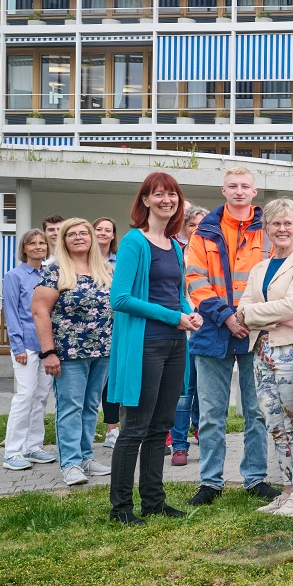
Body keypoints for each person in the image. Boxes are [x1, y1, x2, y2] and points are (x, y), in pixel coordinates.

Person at [106, 172, 199, 524]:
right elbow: (120, 298)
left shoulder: (176, 245)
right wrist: (173, 316)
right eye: (158, 194)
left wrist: (190, 314)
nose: (166, 200)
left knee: (161, 427)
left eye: (172, 194)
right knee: (135, 428)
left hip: (175, 345)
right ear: (145, 200)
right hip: (144, 344)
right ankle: (121, 508)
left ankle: (154, 501)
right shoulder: (134, 242)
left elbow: (177, 295)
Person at [185, 166, 279, 506]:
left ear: (254, 192)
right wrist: (226, 317)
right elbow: (194, 279)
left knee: (256, 411)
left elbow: (275, 279)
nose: (239, 191)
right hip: (213, 331)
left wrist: (249, 317)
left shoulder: (268, 232)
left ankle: (255, 478)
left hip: (256, 331)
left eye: (245, 186)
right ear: (223, 191)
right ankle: (210, 482)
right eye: (232, 186)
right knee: (211, 413)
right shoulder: (205, 232)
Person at [234, 198, 293, 517]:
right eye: (275, 223)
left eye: (288, 223)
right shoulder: (258, 268)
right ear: (266, 229)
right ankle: (286, 491)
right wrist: (273, 319)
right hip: (261, 352)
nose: (281, 229)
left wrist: (259, 315)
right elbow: (240, 312)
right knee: (274, 424)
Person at [31, 217, 114, 487]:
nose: (78, 237)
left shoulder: (105, 270)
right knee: (70, 407)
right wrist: (48, 353)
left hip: (102, 351)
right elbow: (39, 311)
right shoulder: (55, 271)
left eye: (83, 233)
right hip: (68, 353)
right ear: (63, 240)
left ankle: (86, 457)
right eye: (71, 234)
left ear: (91, 237)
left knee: (90, 406)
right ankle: (70, 463)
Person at [1, 230, 57, 471]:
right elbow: (11, 312)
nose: (38, 247)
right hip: (25, 344)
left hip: (45, 344)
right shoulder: (14, 276)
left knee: (41, 396)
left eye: (42, 243)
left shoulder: (50, 274)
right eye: (32, 243)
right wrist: (16, 345)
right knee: (25, 396)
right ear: (24, 248)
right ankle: (12, 452)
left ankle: (33, 447)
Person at [169, 206, 208, 466]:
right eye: (194, 225)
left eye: (203, 226)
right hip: (183, 327)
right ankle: (179, 445)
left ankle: (203, 435)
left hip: (207, 328)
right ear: (185, 227)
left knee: (203, 390)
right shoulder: (176, 254)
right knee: (184, 391)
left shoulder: (213, 255)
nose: (198, 230)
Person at [92, 217, 122, 448]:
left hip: (115, 329)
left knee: (110, 381)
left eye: (107, 230)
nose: (102, 233)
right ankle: (87, 430)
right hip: (88, 333)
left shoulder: (119, 261)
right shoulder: (82, 261)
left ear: (113, 235)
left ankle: (112, 429)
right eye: (98, 229)